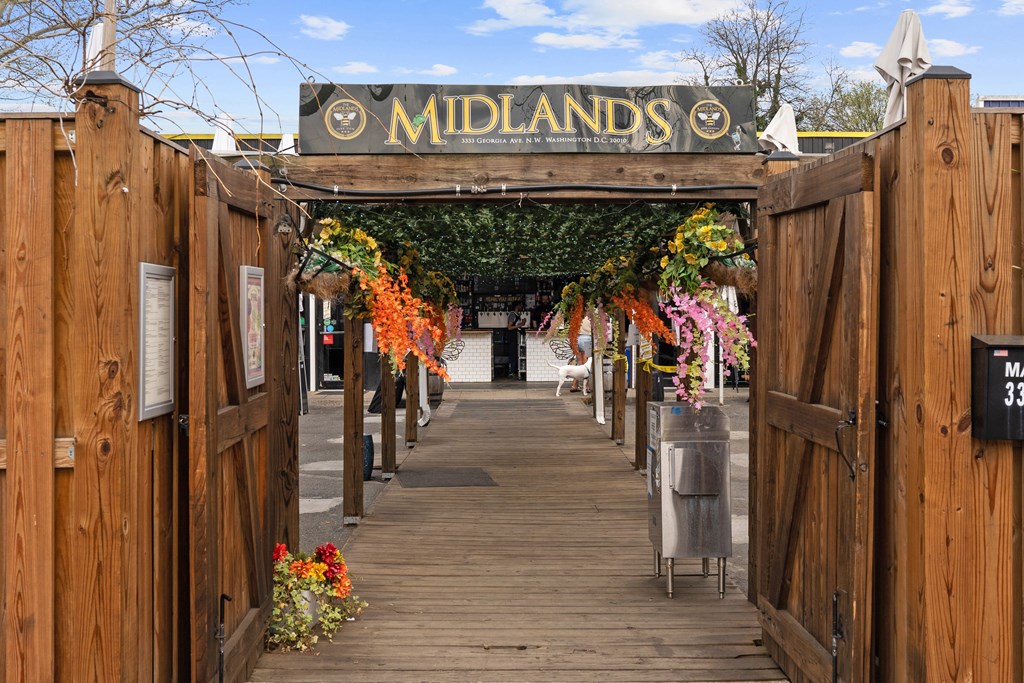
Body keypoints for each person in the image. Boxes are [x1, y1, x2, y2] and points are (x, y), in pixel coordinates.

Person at [571, 315, 592, 393]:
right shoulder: (591, 317)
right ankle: (586, 387)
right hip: (588, 339)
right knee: (586, 364)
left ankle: (574, 385)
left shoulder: (578, 316)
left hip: (578, 339)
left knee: (579, 363)